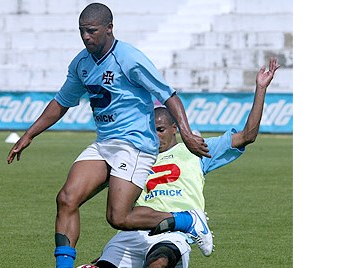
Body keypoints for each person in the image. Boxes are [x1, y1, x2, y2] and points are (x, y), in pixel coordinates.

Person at [6, 3, 213, 268]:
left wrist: (186, 132)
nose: (86, 37)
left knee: (118, 217)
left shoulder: (129, 59)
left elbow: (168, 95)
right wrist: (29, 135)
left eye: (91, 31)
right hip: (105, 145)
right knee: (66, 199)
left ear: (109, 28)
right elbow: (62, 102)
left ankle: (188, 220)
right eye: (82, 31)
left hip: (136, 145)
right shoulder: (81, 63)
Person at [79, 58, 280, 268]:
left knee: (157, 264)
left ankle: (190, 222)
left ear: (175, 128)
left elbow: (247, 135)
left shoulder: (195, 150)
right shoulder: (136, 156)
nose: (155, 136)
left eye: (160, 130)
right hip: (133, 232)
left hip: (172, 233)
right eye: (151, 131)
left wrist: (260, 89)